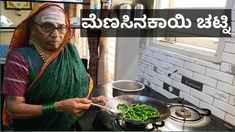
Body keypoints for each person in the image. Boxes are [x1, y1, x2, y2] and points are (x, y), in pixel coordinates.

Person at [1, 2, 107, 131]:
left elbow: (77, 87)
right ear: (32, 29)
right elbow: (14, 110)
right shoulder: (20, 59)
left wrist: (91, 102)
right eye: (47, 26)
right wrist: (58, 107)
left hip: (70, 126)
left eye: (61, 27)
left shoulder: (70, 51)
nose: (56, 35)